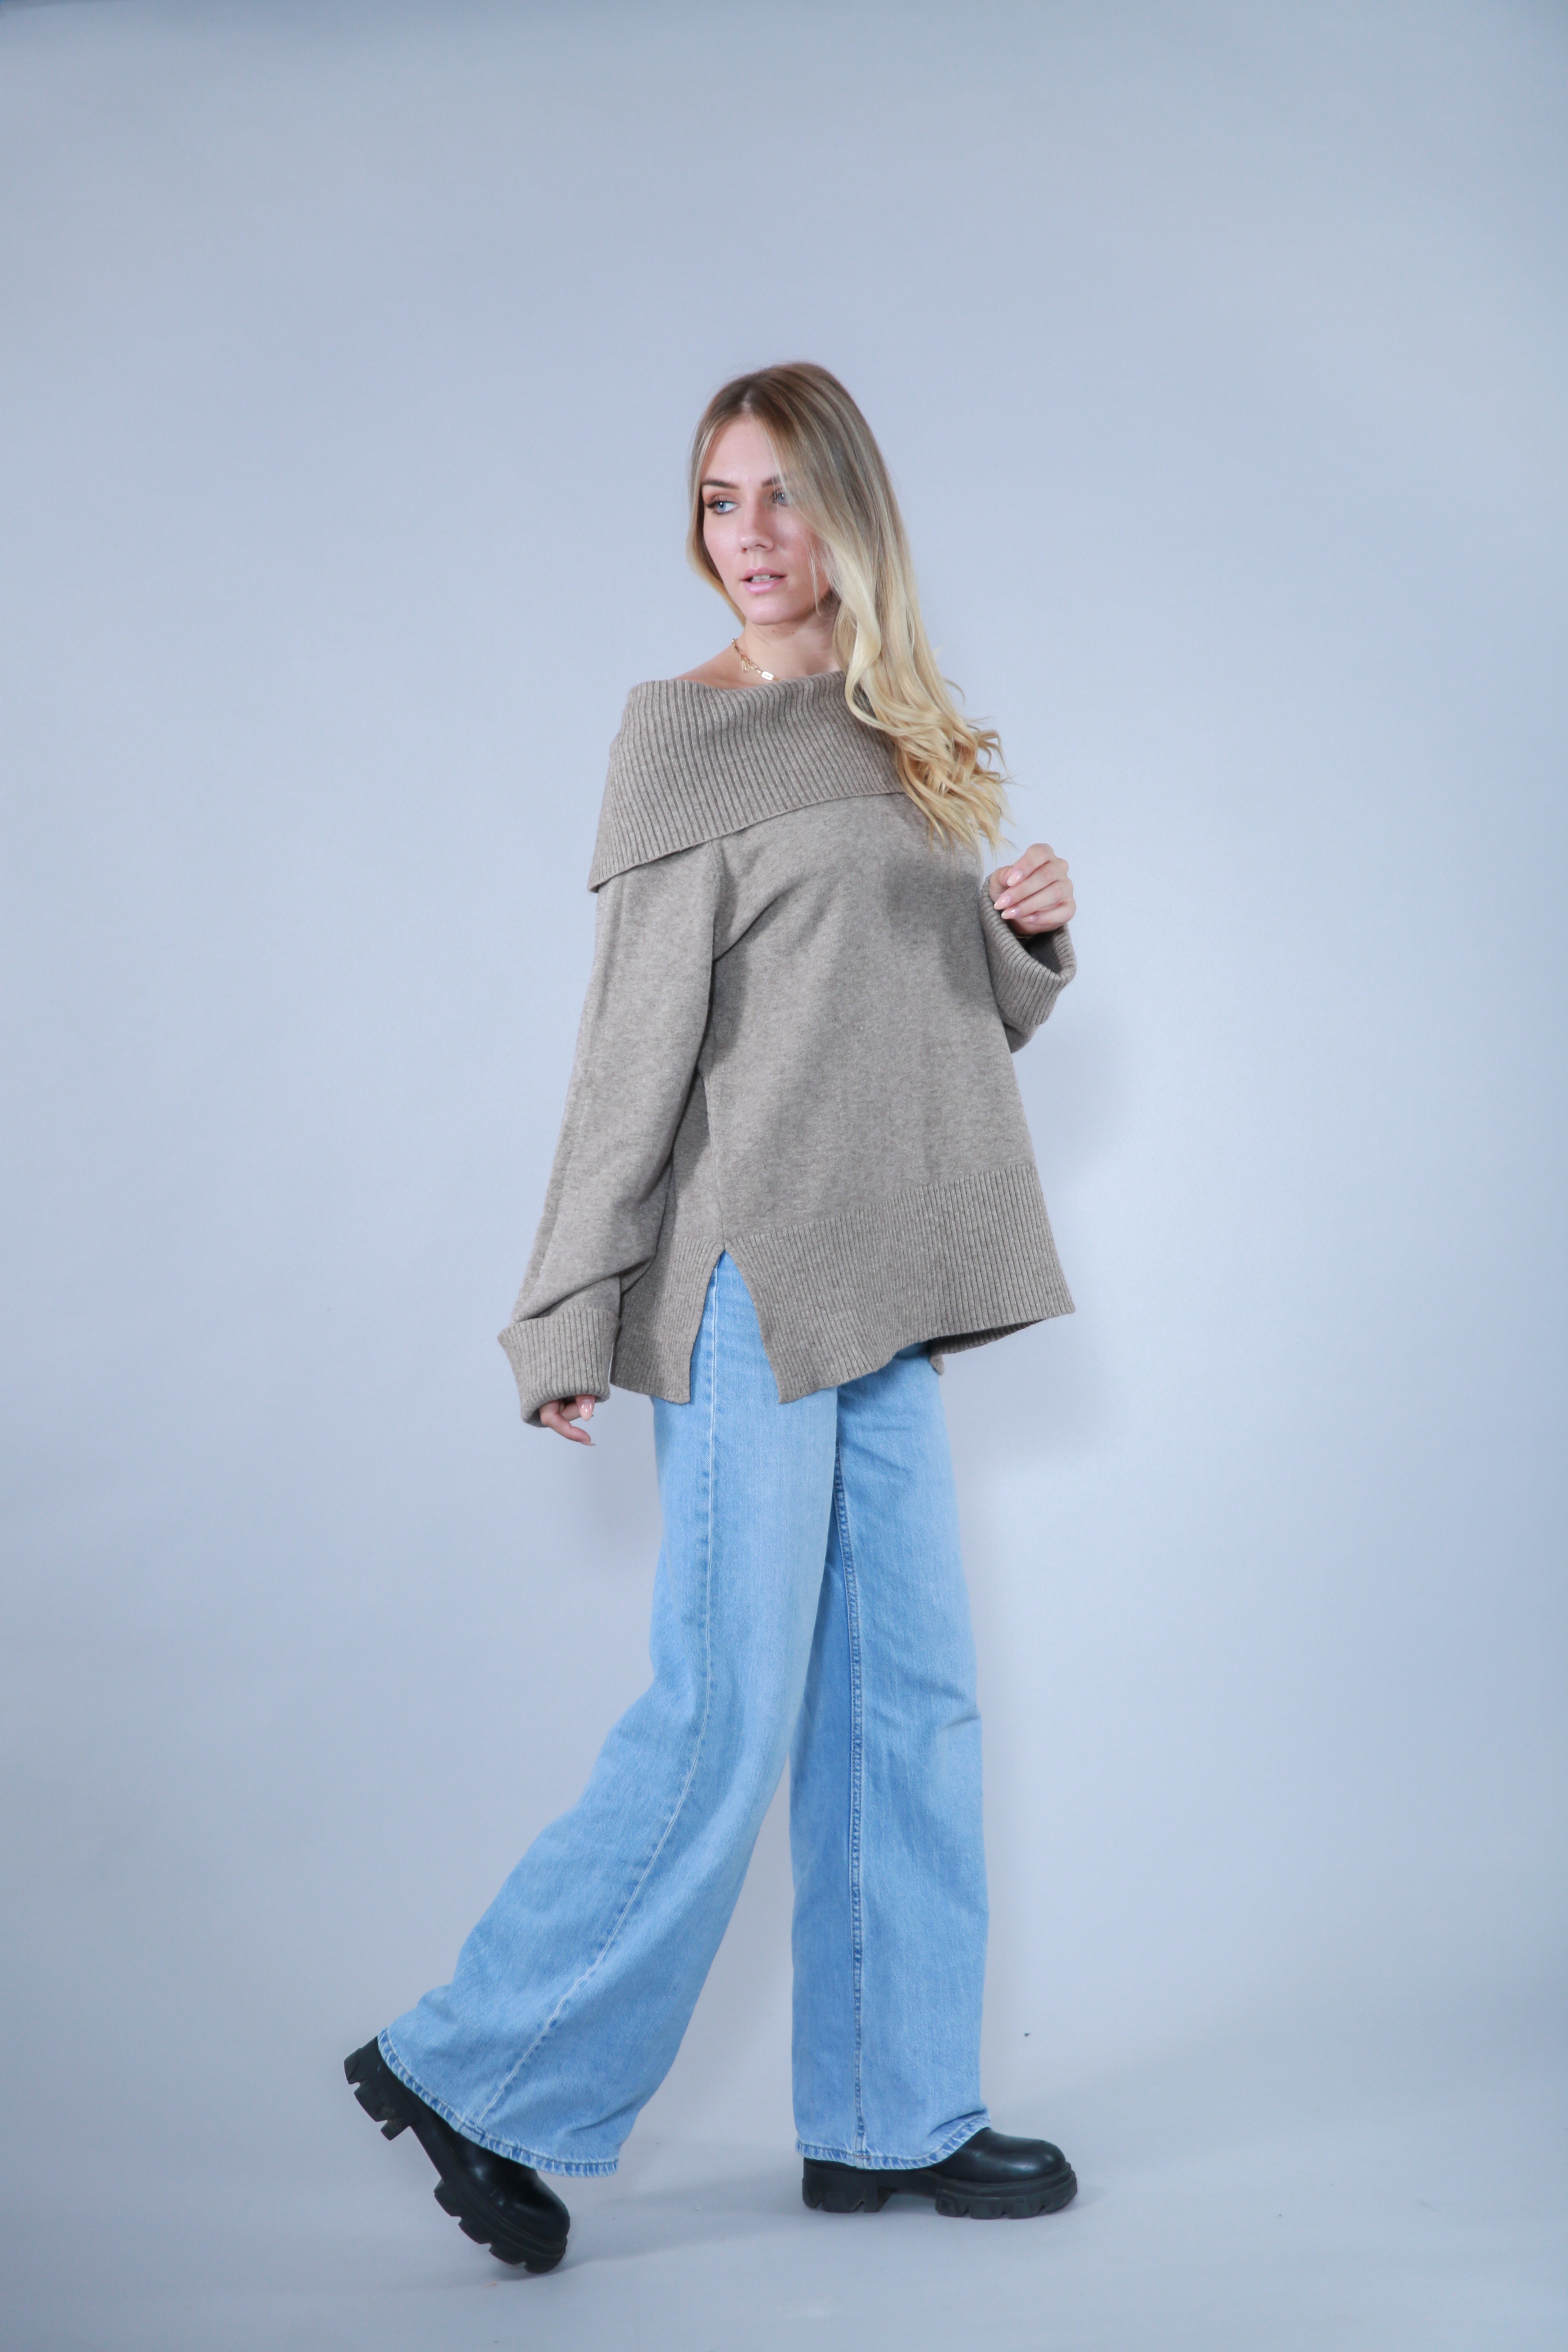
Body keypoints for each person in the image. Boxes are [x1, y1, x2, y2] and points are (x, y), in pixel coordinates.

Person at [345, 362, 1079, 2274]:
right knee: (725, 1707)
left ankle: (892, 2117)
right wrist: (568, 1306)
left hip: (888, 1279)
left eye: (779, 496)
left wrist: (1022, 937)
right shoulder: (683, 736)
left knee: (910, 1704)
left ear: (849, 512)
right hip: (752, 1278)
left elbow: (927, 1028)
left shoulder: (900, 729)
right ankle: (475, 2066)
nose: (747, 536)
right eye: (717, 500)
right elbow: (630, 1054)